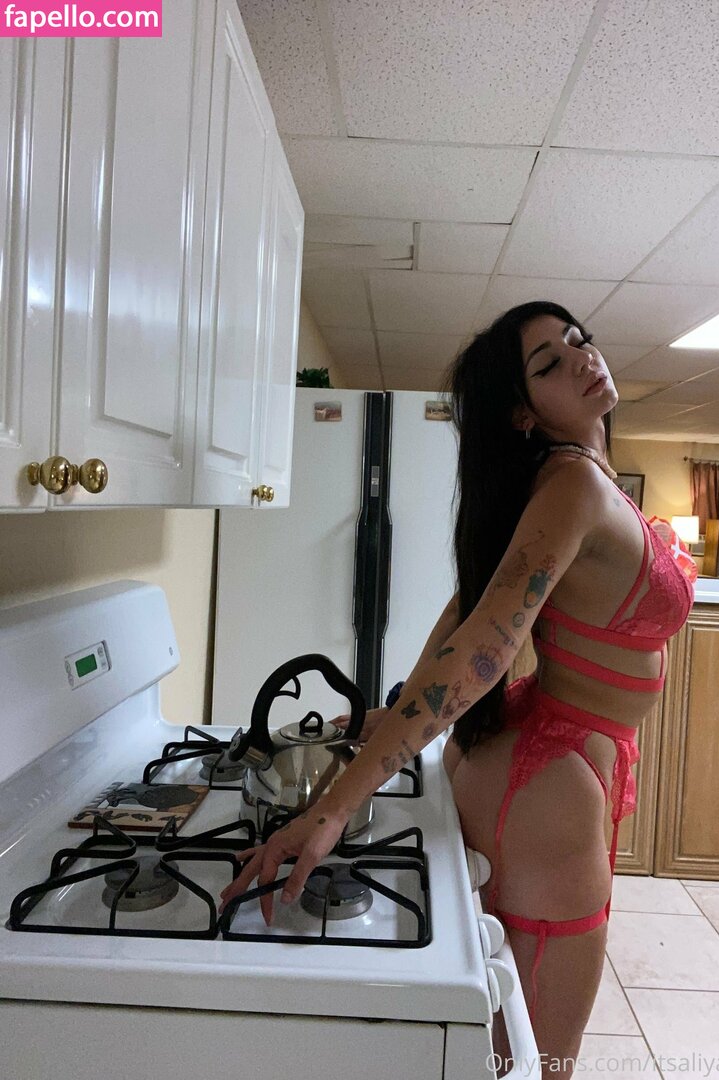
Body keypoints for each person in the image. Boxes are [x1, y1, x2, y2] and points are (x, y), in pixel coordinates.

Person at [219, 300, 695, 1078]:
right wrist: (331, 809)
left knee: (502, 1045)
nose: (582, 357)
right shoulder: (573, 485)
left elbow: (469, 615)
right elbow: (481, 645)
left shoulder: (570, 480)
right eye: (549, 362)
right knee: (538, 1062)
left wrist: (386, 718)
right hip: (552, 780)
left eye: (579, 340)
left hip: (544, 765)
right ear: (522, 413)